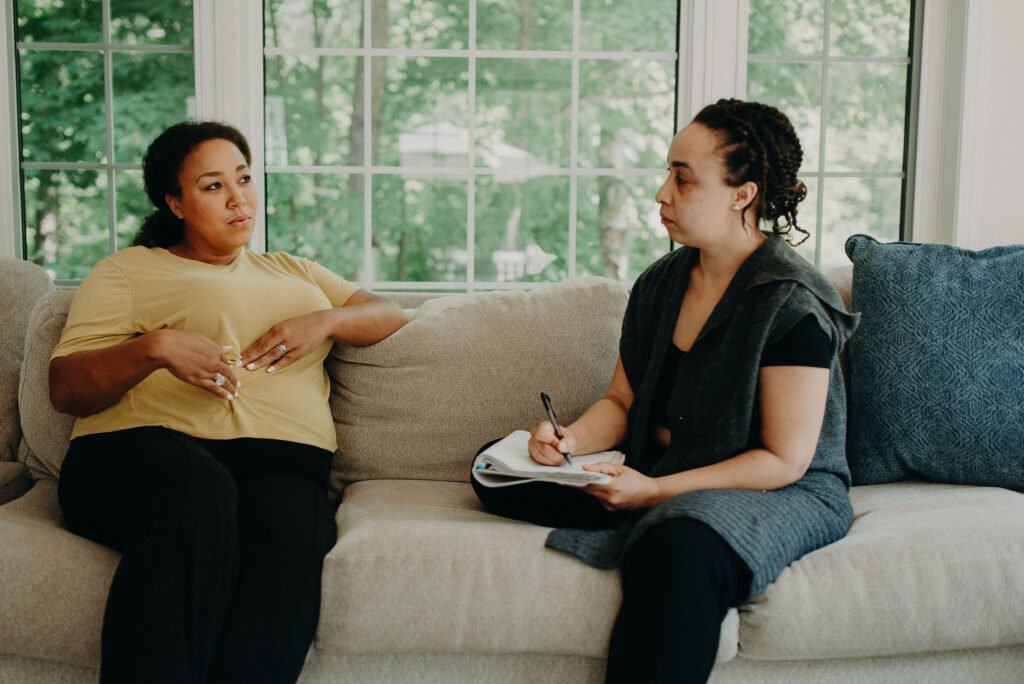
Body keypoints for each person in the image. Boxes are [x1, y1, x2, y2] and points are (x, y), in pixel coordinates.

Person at [471, 99, 859, 683]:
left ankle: (656, 516)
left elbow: (784, 459)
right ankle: (639, 502)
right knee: (493, 470)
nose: (661, 193)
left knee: (676, 551)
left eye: (682, 178)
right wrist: (569, 440)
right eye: (666, 174)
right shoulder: (660, 283)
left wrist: (654, 491)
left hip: (780, 489)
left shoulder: (791, 303)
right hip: (665, 466)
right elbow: (622, 403)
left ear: (742, 194)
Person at [50, 120, 410, 684]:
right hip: (141, 457)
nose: (239, 197)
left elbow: (389, 313)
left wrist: (326, 320)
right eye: (213, 186)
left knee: (296, 535)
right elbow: (66, 389)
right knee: (201, 491)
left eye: (243, 178)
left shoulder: (292, 270)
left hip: (282, 466)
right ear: (175, 203)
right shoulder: (127, 270)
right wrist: (155, 348)